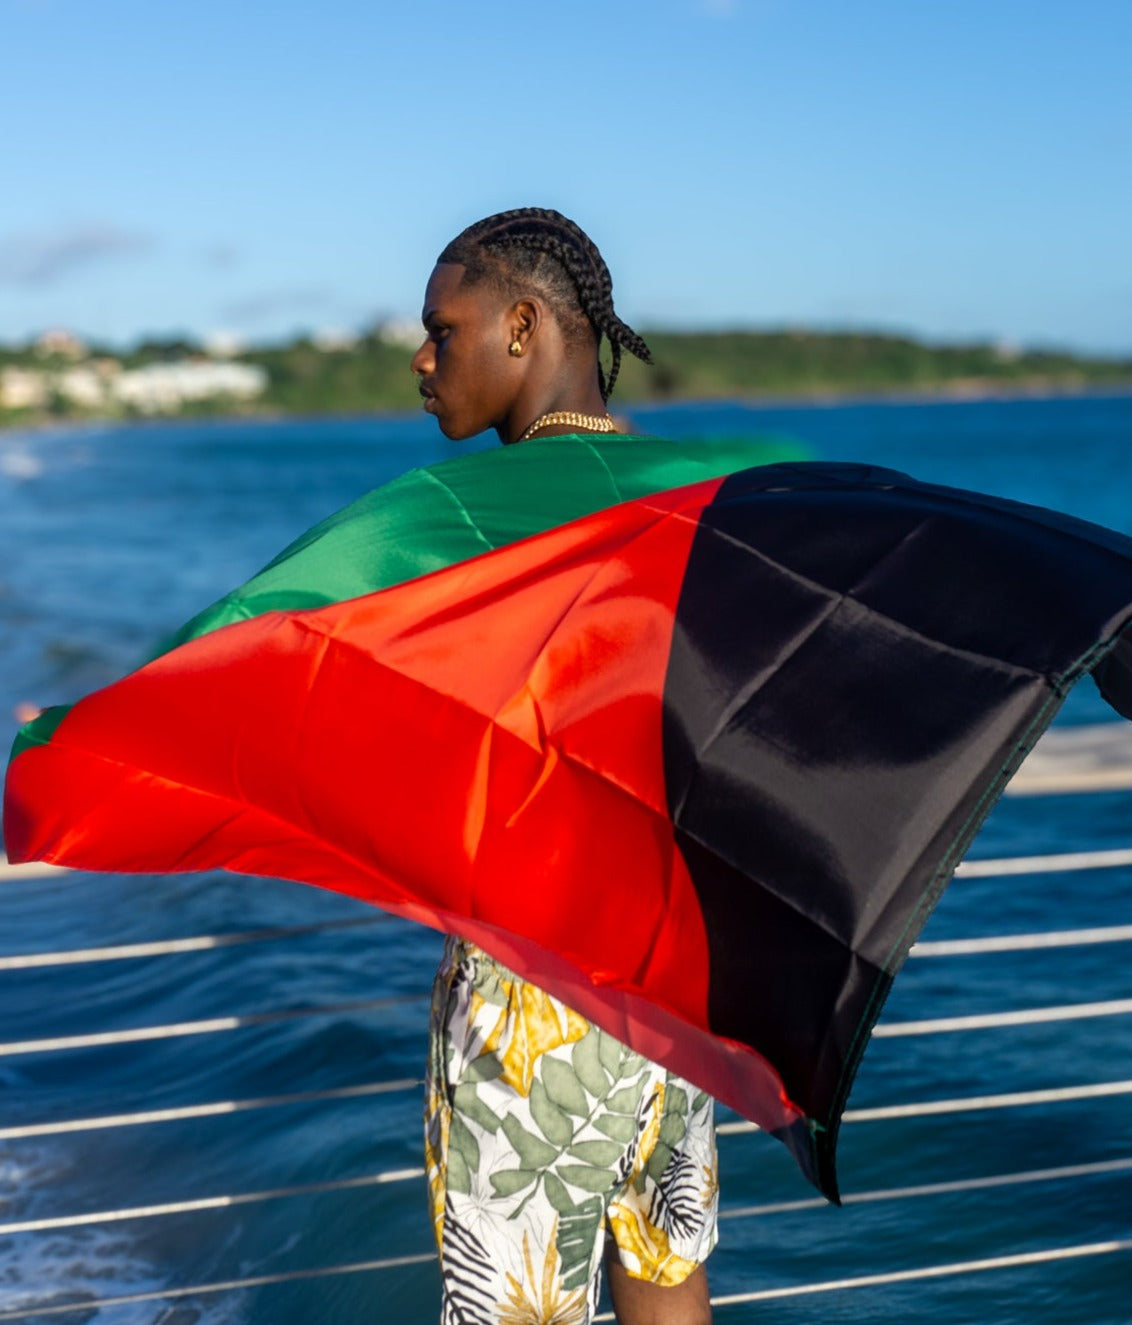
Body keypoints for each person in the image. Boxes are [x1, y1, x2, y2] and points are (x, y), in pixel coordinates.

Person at [410, 208, 718, 1325]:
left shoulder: (473, 525)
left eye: (444, 330)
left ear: (523, 324)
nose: (420, 357)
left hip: (531, 997)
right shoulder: (686, 499)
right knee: (664, 1270)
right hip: (670, 973)